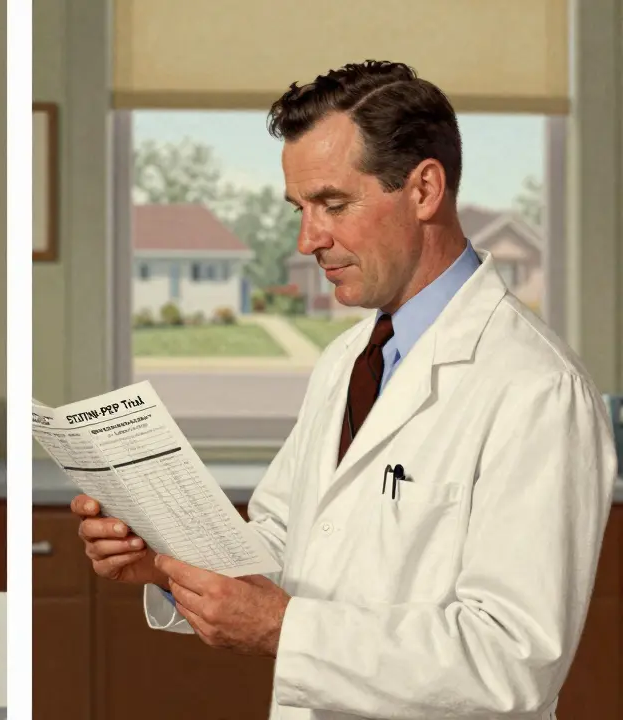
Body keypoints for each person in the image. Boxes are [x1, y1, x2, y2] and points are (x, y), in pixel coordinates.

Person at [74, 61, 617, 718]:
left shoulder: (536, 389)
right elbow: (285, 545)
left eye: (333, 204)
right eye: (300, 209)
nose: (308, 239)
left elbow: (512, 660)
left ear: (423, 190)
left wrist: (286, 629)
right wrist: (166, 560)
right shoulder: (348, 361)